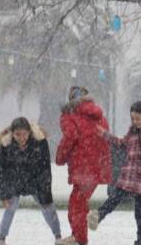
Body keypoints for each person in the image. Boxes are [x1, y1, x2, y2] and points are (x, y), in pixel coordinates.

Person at [87, 101, 141, 245]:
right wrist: (105, 135)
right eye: (132, 118)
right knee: (115, 196)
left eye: (137, 119)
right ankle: (98, 216)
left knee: (140, 211)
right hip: (130, 175)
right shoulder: (132, 131)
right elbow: (122, 144)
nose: (135, 122)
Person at [55, 86, 112, 245]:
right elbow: (105, 138)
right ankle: (80, 236)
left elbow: (70, 136)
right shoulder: (99, 115)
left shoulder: (69, 115)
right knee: (80, 202)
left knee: (76, 204)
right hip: (96, 166)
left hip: (82, 167)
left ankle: (79, 238)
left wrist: (60, 157)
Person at [0, 117, 62, 245]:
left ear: (30, 133)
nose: (21, 138)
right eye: (17, 134)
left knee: (48, 207)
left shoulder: (40, 143)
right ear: (12, 134)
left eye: (24, 134)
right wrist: (4, 195)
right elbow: (0, 170)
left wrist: (45, 193)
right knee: (10, 207)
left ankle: (58, 237)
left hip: (35, 180)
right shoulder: (6, 146)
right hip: (14, 180)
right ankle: (1, 239)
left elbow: (45, 168)